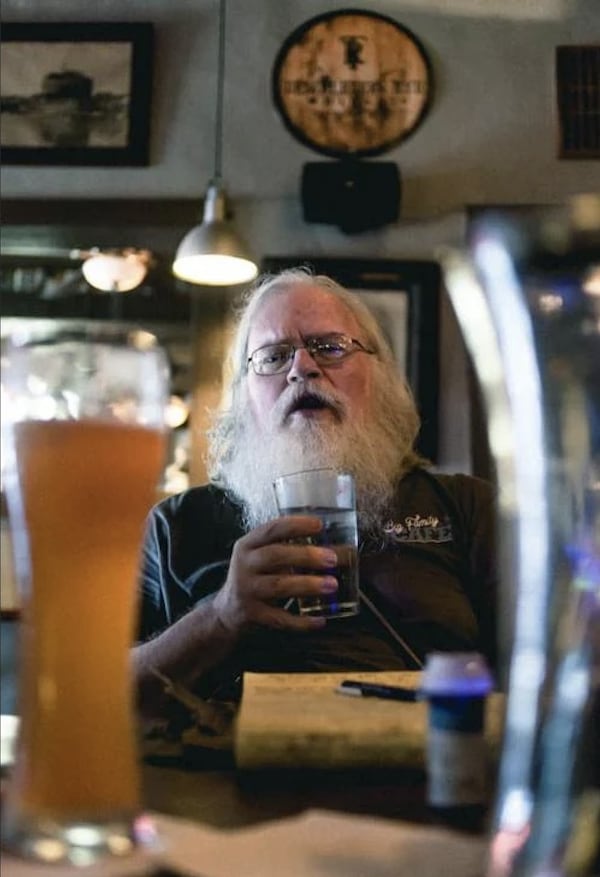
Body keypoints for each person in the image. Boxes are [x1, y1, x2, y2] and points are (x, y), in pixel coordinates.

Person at [133, 268, 497, 715]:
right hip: (221, 776)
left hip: (424, 773)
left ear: (379, 376)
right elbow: (101, 695)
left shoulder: (466, 508)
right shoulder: (177, 525)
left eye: (329, 347)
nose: (302, 368)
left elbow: (545, 671)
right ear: (244, 396)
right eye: (272, 356)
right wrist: (221, 616)